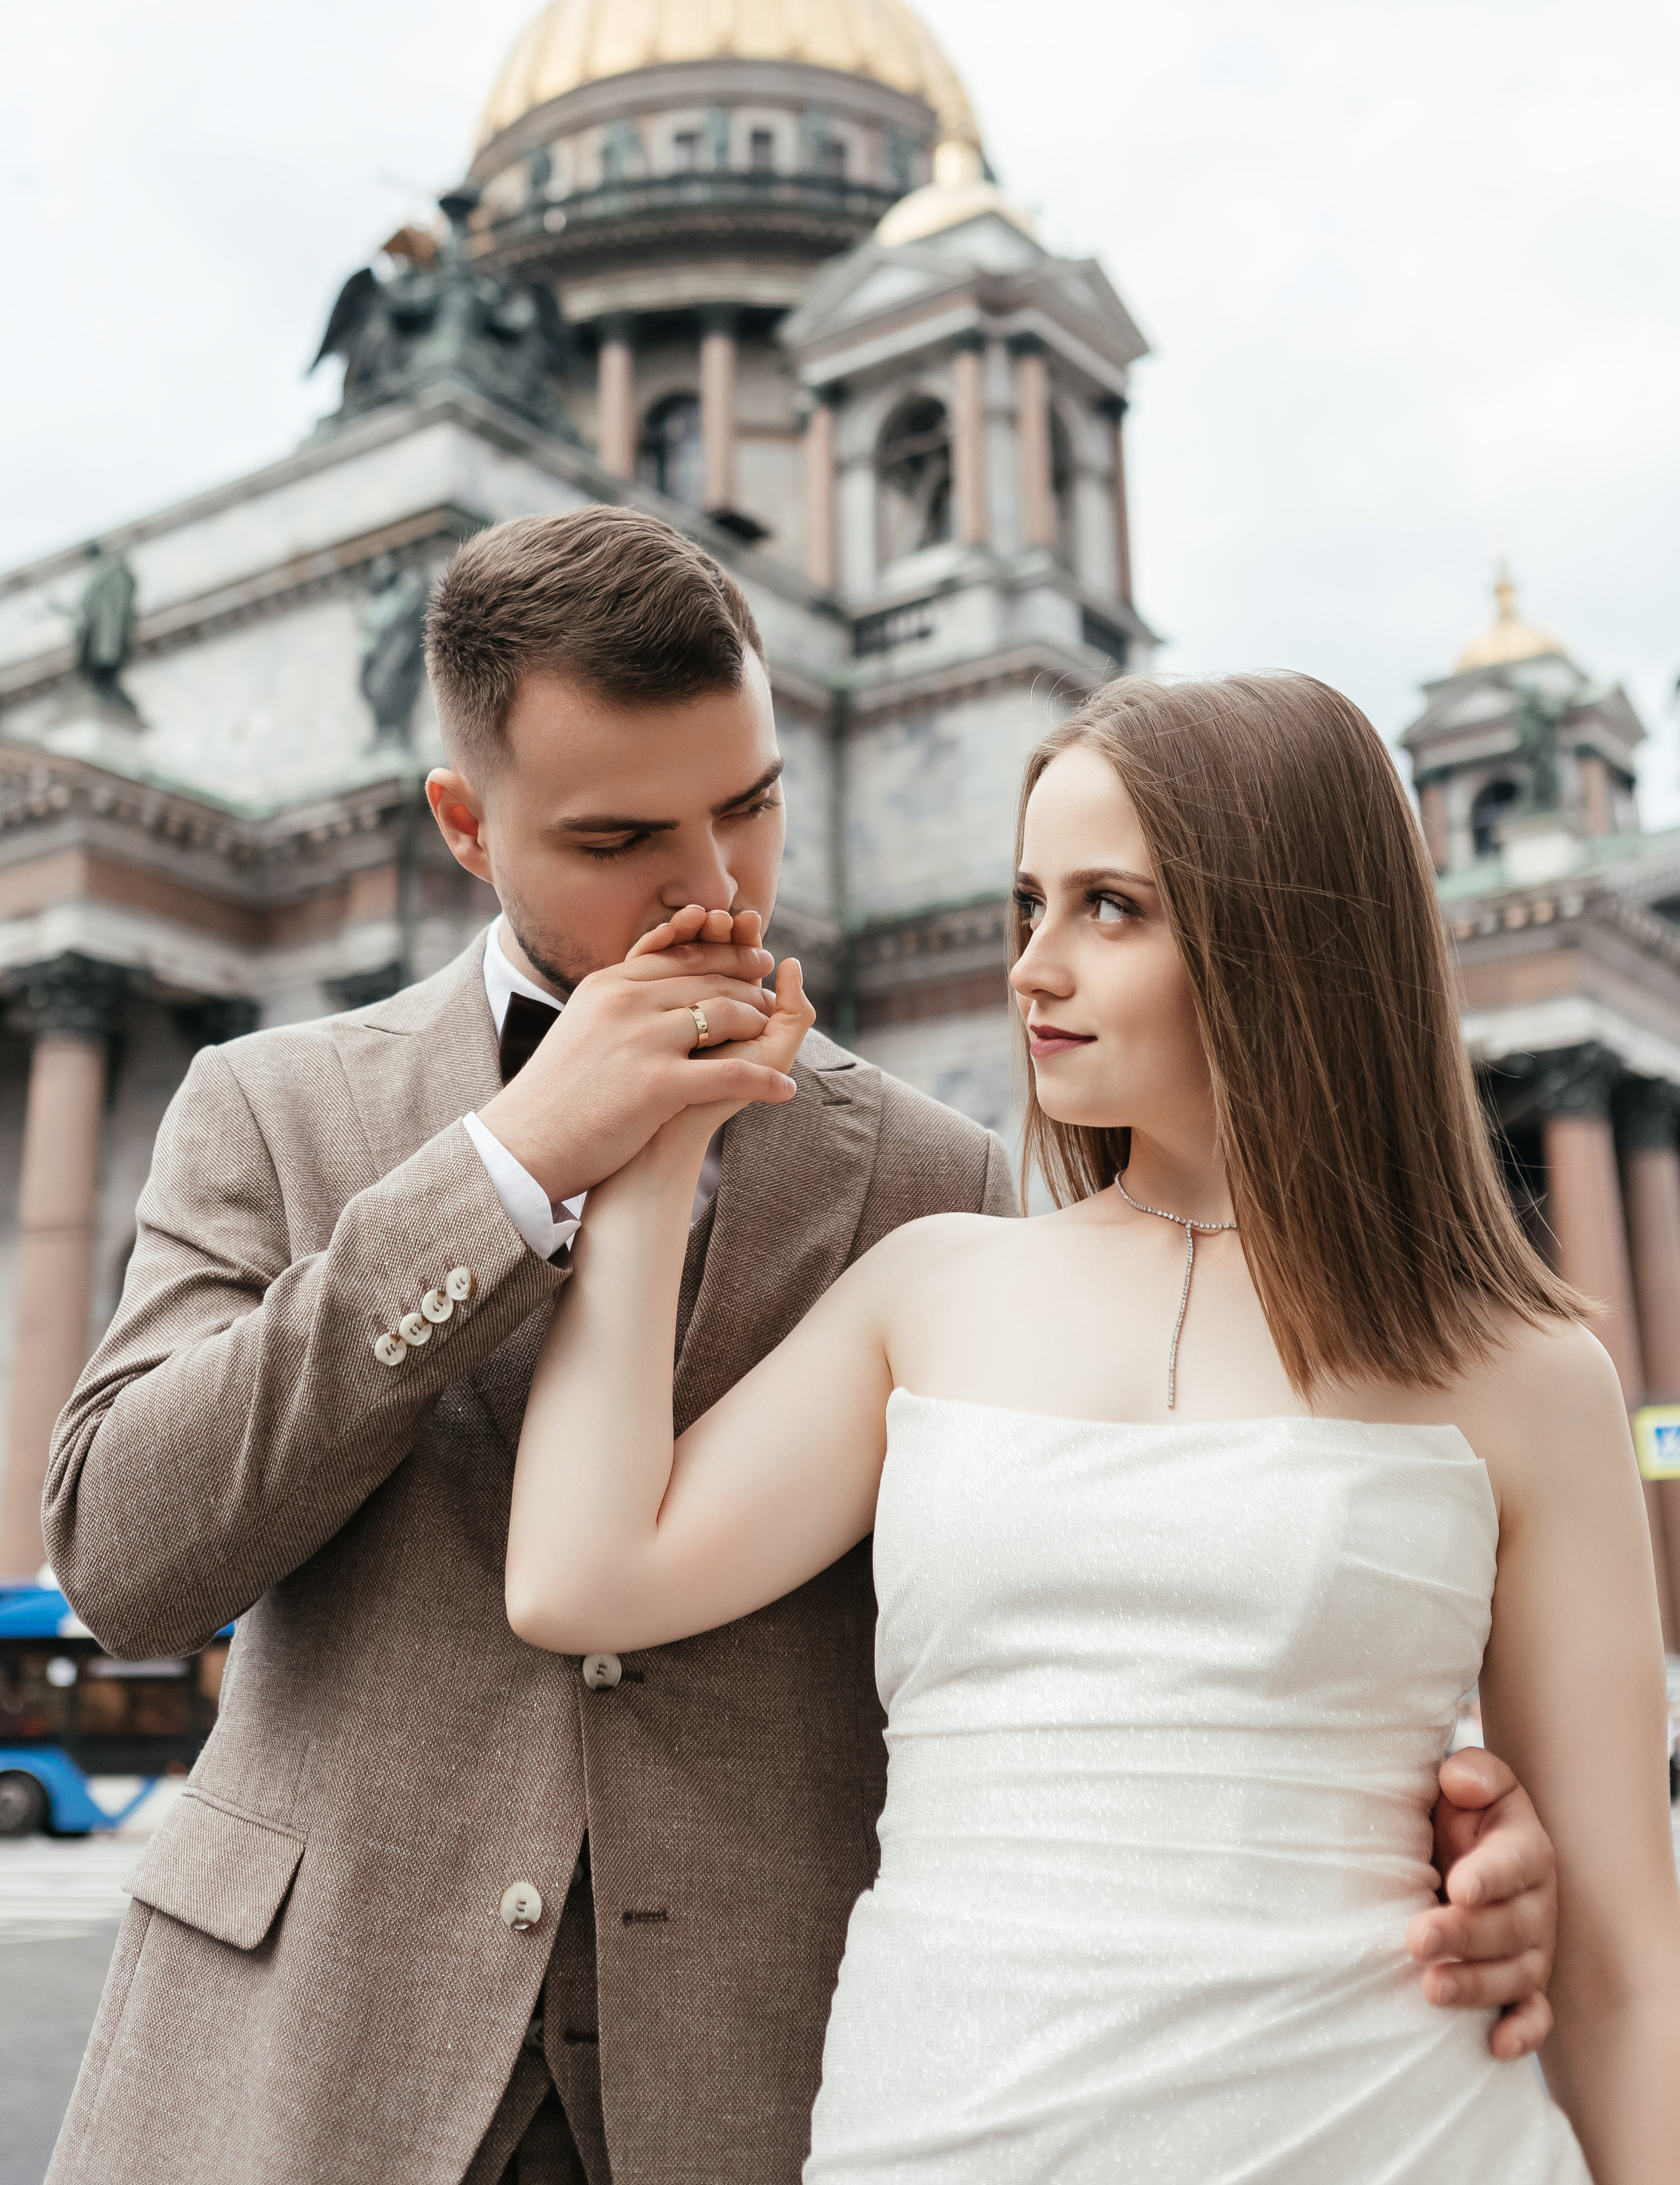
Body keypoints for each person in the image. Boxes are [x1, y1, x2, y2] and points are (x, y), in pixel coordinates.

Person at [41, 516, 1557, 2185]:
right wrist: (510, 1164)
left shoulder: (936, 1177)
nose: (712, 887)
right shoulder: (274, 1106)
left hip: (765, 2079)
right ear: (466, 828)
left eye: (750, 805)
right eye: (621, 835)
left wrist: (1395, 1817)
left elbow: (1078, 1627)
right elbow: (126, 1561)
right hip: (317, 2062)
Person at [506, 669, 1680, 2184]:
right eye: (1025, 905)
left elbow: (1619, 1965)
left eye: (1110, 908)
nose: (1031, 969)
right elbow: (579, 1578)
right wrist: (655, 1155)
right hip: (939, 2140)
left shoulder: (1521, 1371)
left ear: (1286, 938)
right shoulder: (928, 1287)